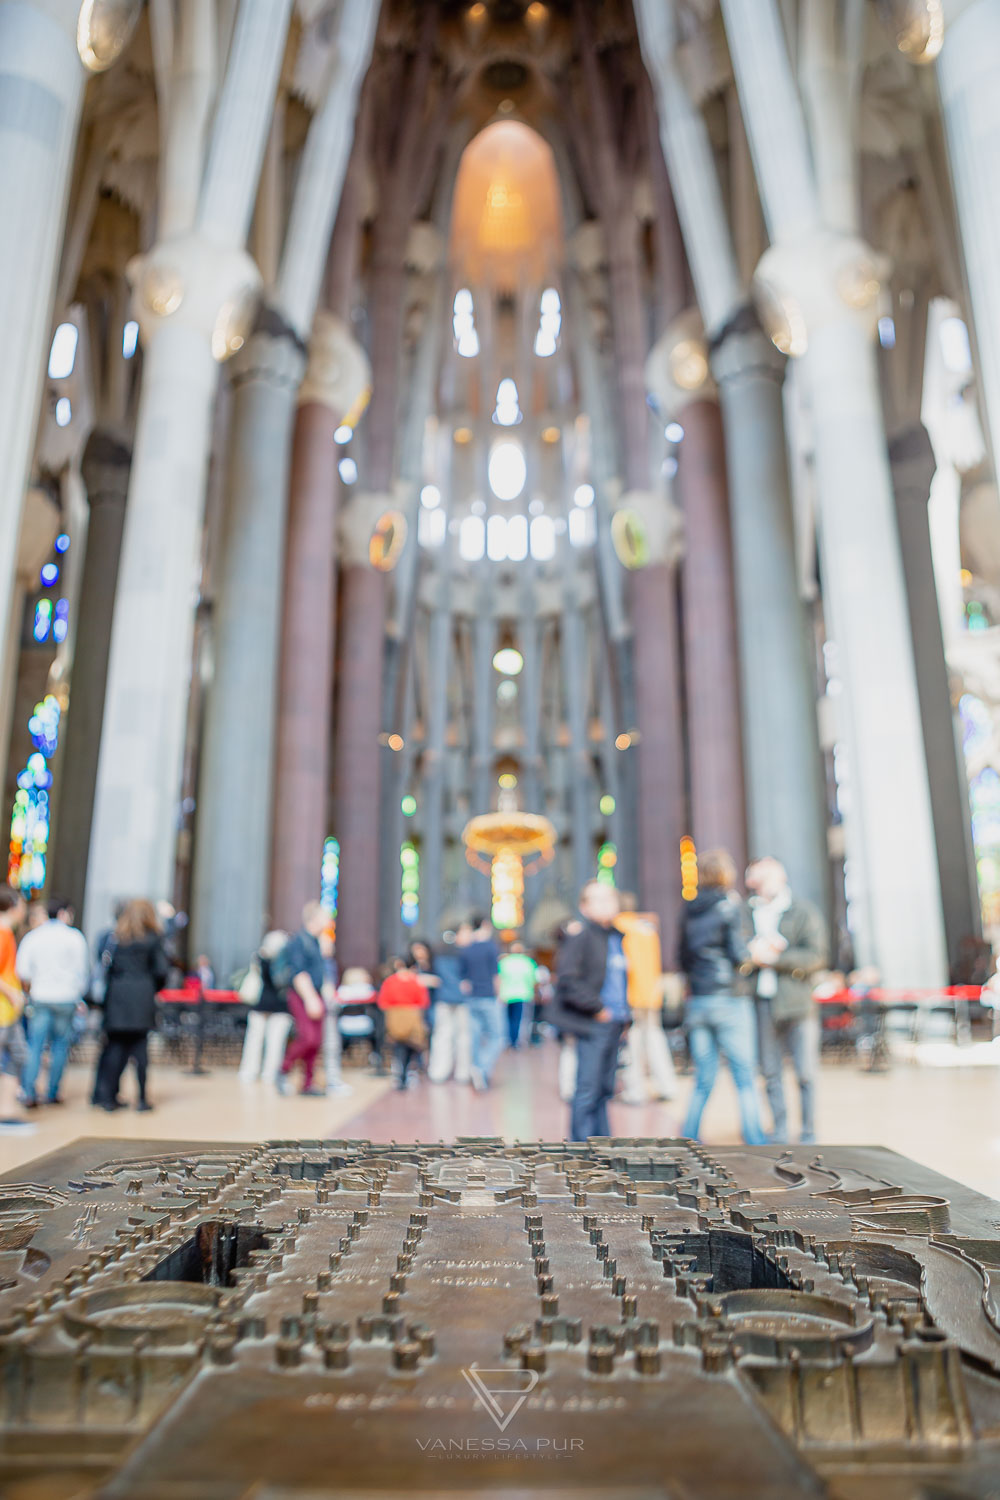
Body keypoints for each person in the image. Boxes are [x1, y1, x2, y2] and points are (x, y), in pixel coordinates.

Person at [677, 850, 765, 1145]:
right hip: (729, 999)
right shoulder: (730, 905)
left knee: (703, 1079)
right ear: (726, 874)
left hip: (699, 1001)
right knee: (745, 1078)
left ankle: (688, 1138)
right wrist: (753, 957)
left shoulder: (689, 909)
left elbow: (682, 957)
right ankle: (755, 1141)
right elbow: (738, 953)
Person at [745, 855, 828, 1145]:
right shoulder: (748, 912)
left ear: (781, 879)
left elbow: (816, 956)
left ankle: (808, 1132)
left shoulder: (802, 911)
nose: (759, 883)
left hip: (797, 1003)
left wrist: (776, 959)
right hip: (762, 1003)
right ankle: (779, 1130)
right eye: (756, 877)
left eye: (766, 877)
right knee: (770, 1072)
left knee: (805, 1073)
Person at [551, 882, 630, 1142]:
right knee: (587, 1089)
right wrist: (597, 1009)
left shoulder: (617, 937)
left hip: (616, 1022)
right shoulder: (581, 937)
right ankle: (579, 1151)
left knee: (605, 1090)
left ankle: (602, 1146)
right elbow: (567, 979)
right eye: (598, 900)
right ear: (584, 907)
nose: (606, 903)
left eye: (609, 898)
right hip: (595, 1022)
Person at [91, 899, 169, 1111]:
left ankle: (107, 1098)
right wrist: (152, 986)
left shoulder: (115, 938)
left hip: (117, 995)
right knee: (140, 1049)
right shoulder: (153, 938)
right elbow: (162, 971)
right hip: (142, 996)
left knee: (114, 1047)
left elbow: (105, 966)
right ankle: (142, 1098)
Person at [17, 896, 90, 1108]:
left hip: (41, 995)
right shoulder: (75, 937)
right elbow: (82, 970)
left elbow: (23, 970)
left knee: (35, 1045)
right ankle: (52, 1092)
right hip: (66, 997)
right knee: (60, 1045)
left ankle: (29, 1092)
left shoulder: (34, 937)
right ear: (63, 913)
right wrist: (78, 993)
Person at [617, 895, 677, 1104]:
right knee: (654, 1037)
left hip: (630, 994)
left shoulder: (620, 928)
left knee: (632, 1043)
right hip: (651, 993)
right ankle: (666, 1085)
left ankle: (635, 1090)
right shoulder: (647, 929)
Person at [277, 902, 328, 1097]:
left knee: (316, 1042)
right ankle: (283, 1069)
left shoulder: (316, 942)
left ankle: (308, 1083)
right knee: (308, 1037)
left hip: (316, 993)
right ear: (314, 919)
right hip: (303, 995)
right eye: (324, 918)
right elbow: (299, 973)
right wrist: (310, 999)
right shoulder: (299, 942)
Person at [237, 930, 292, 1084]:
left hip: (262, 1004)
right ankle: (269, 1073)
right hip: (278, 1006)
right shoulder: (283, 961)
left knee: (255, 1040)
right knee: (274, 1042)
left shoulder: (260, 958)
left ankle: (250, 1071)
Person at [457, 914, 502, 1091]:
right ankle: (482, 1068)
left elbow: (463, 981)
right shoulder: (491, 947)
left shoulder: (466, 949)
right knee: (497, 1036)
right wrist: (499, 994)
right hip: (488, 997)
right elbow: (495, 975)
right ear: (485, 925)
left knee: (474, 1037)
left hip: (472, 998)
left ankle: (477, 1068)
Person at [0, 887, 31, 1133]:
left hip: (8, 1010)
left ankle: (7, 1108)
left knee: (17, 1055)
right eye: (21, 904)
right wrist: (12, 994)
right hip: (2, 1009)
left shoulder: (8, 932)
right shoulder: (2, 932)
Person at [377, 956, 430, 1089]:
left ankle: (399, 1074)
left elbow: (383, 1002)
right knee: (411, 1047)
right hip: (412, 1022)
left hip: (395, 1022)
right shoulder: (416, 982)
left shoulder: (389, 982)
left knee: (398, 1048)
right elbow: (423, 1003)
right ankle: (408, 1072)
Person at [426, 935, 471, 1084]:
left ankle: (439, 1071)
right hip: (462, 999)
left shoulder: (438, 957)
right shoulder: (462, 955)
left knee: (442, 1035)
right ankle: (463, 1072)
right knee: (463, 1036)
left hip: (443, 998)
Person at [320, 927, 352, 1096]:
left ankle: (332, 1079)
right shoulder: (319, 964)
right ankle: (328, 1081)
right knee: (327, 1044)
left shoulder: (330, 964)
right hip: (321, 1009)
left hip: (329, 1008)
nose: (331, 947)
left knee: (332, 1045)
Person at [497, 940, 538, 1049]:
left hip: (506, 995)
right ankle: (518, 1041)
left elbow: (499, 979)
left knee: (508, 1019)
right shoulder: (528, 962)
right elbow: (533, 980)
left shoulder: (504, 962)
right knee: (520, 1019)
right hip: (523, 994)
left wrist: (498, 994)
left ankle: (509, 1040)